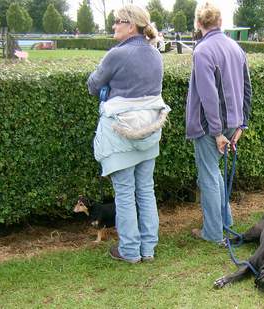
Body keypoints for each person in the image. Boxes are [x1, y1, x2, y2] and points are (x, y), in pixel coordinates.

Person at [87, 4, 170, 263]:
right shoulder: (156, 54)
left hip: (120, 132)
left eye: (118, 21)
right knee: (146, 190)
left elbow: (92, 85)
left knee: (124, 193)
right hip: (148, 132)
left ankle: (130, 250)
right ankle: (148, 249)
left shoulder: (116, 55)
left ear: (131, 25)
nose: (114, 26)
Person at [186, 1, 252, 244]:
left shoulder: (203, 51)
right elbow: (247, 89)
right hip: (231, 123)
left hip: (209, 126)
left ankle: (212, 232)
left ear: (198, 23)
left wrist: (215, 132)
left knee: (209, 176)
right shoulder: (236, 48)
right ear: (220, 22)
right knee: (215, 174)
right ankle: (224, 221)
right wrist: (241, 125)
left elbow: (208, 96)